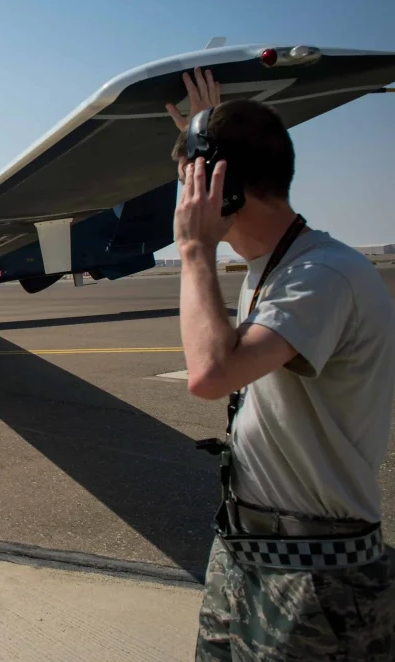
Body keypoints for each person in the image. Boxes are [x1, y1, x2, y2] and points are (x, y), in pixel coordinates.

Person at [170, 76, 395, 658]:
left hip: (318, 574)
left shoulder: (321, 275)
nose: (186, 200)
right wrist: (209, 134)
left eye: (193, 184)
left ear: (227, 190)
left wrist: (195, 249)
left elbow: (211, 374)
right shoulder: (275, 268)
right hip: (248, 550)